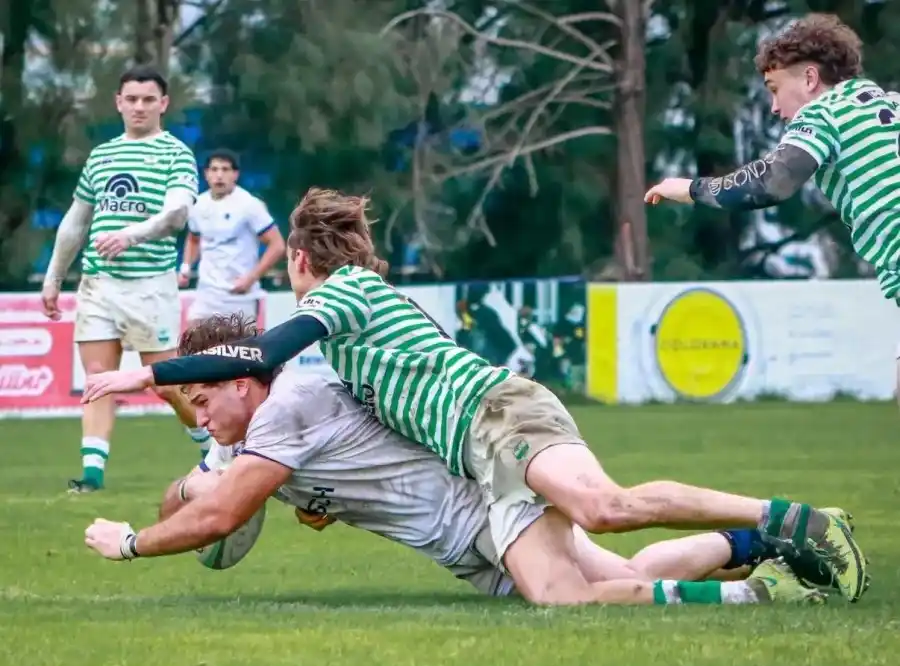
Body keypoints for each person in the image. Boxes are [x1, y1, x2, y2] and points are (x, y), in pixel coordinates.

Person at [80, 188, 869, 602]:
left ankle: (792, 519)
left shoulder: (344, 294)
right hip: (478, 455)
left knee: (606, 508)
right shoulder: (341, 350)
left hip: (497, 417)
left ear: (300, 263)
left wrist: (147, 375)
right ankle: (759, 553)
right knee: (604, 574)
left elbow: (264, 354)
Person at [84, 314, 835, 607]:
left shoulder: (289, 406)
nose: (200, 413)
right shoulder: (252, 434)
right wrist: (189, 480)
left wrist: (126, 544)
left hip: (479, 507)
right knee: (631, 577)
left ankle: (764, 590)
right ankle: (756, 543)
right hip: (465, 535)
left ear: (244, 381)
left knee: (577, 599)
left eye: (206, 397)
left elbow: (216, 519)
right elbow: (200, 508)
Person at [642, 14, 900, 406]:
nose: (775, 108)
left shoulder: (823, 113)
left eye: (775, 89)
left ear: (810, 80)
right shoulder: (889, 103)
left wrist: (691, 189)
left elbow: (771, 183)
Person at [40, 64, 211, 493]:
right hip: (97, 285)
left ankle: (214, 447)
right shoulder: (102, 155)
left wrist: (131, 235)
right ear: (118, 103)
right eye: (131, 99)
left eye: (148, 99)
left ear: (163, 104)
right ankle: (92, 476)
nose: (139, 106)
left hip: (150, 285)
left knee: (167, 385)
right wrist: (53, 277)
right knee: (98, 378)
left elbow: (176, 213)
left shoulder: (175, 153)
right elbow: (76, 221)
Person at [179, 149, 285, 323]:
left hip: (239, 297)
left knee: (237, 350)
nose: (219, 175)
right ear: (206, 174)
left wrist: (251, 278)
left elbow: (277, 245)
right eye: (214, 169)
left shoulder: (249, 204)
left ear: (235, 174)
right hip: (206, 296)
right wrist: (186, 267)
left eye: (225, 169)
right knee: (196, 347)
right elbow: (193, 238)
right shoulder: (198, 204)